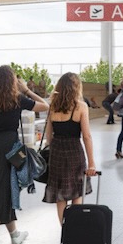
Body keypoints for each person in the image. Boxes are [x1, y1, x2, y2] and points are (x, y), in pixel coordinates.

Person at [0, 65, 48, 244]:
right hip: (10, 146)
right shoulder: (17, 98)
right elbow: (45, 105)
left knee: (2, 187)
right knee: (3, 189)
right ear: (13, 82)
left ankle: (15, 235)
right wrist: (26, 90)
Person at [42, 72, 98, 223]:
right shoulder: (81, 107)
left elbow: (48, 136)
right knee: (76, 192)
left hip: (57, 152)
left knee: (60, 195)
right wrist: (91, 162)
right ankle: (75, 230)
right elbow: (86, 136)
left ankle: (65, 231)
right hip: (74, 151)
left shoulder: (52, 106)